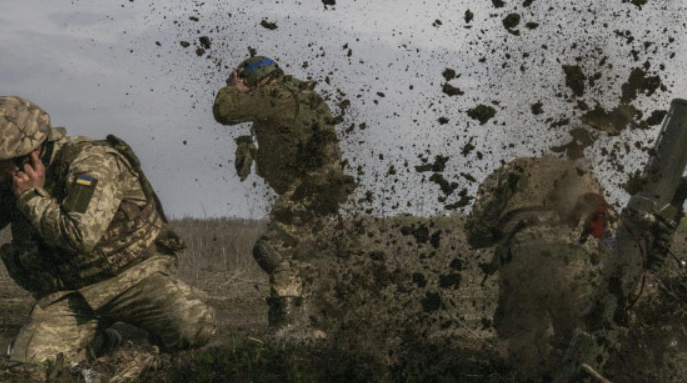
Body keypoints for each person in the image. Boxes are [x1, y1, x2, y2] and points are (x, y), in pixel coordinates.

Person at [0, 96, 216, 367]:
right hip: (71, 293)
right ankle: (104, 341)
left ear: (28, 155)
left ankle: (138, 333)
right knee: (32, 364)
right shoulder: (12, 177)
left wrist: (32, 197)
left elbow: (80, 235)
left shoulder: (92, 163)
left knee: (194, 326)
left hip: (132, 279)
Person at [213, 56, 356, 335]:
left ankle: (289, 326)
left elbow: (225, 111)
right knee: (295, 257)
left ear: (257, 78)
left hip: (312, 190)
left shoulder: (278, 94)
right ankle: (311, 326)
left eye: (246, 80)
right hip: (320, 190)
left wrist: (231, 88)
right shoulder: (297, 95)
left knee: (272, 249)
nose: (246, 86)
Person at [465, 155, 615, 379]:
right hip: (573, 261)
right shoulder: (582, 174)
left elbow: (476, 229)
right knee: (583, 341)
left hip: (522, 256)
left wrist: (499, 233)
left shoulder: (510, 171)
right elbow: (608, 235)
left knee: (523, 347)